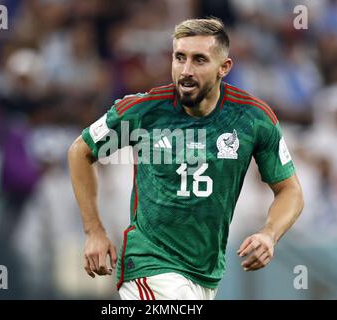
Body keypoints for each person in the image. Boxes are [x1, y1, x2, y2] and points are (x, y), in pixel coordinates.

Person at [68, 18, 304, 300]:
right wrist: (94, 231)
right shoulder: (144, 111)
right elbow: (80, 152)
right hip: (150, 265)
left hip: (204, 274)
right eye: (180, 58)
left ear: (224, 68)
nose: (186, 70)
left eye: (199, 60)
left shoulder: (253, 119)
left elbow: (290, 190)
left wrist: (269, 234)